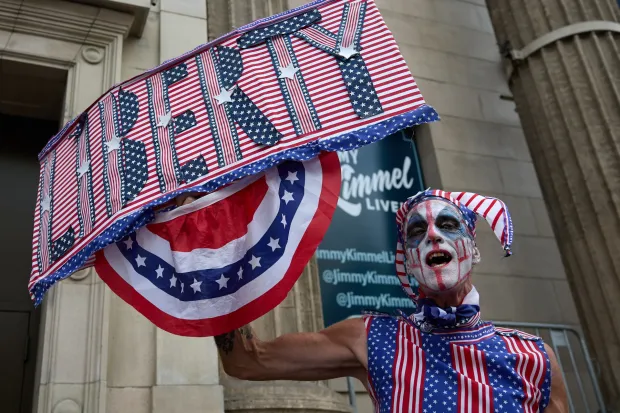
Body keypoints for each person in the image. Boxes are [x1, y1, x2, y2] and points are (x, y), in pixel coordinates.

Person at [181, 189, 568, 412]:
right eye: (417, 231)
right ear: (408, 261)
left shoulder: (533, 358)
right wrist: (216, 253)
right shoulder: (376, 339)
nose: (433, 236)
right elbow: (247, 360)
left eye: (448, 226)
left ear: (473, 247)